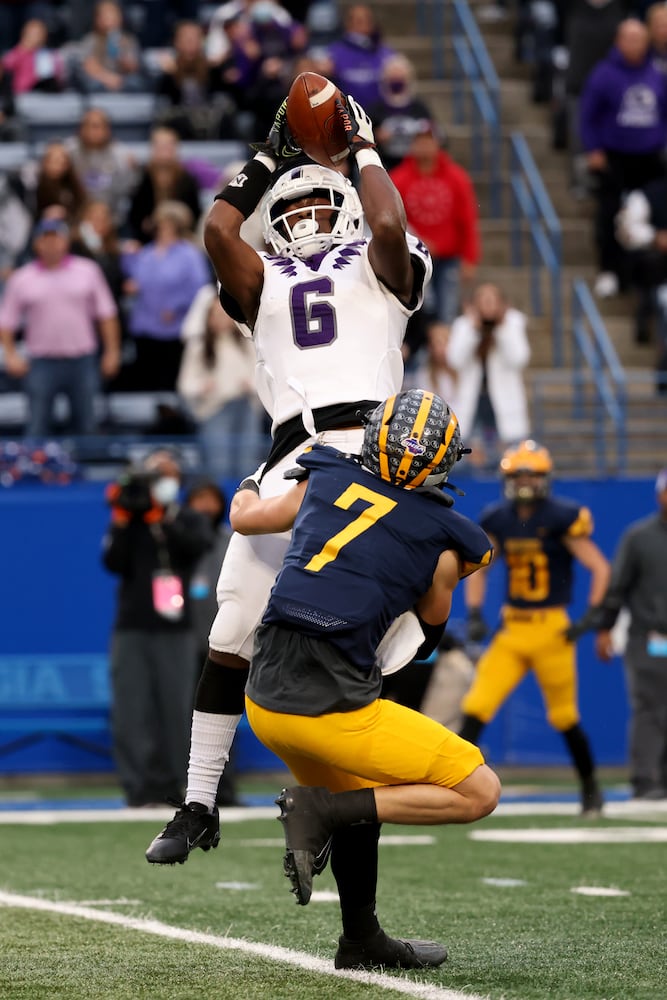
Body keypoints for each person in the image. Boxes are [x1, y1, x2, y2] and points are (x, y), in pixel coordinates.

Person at [144, 92, 434, 875]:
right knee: (231, 629)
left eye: (316, 195)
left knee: (386, 658)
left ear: (338, 201)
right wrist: (272, 153)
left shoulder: (381, 257)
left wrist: (364, 146)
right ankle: (199, 803)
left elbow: (383, 226)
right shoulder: (260, 276)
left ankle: (351, 811)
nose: (304, 208)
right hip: (293, 458)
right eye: (291, 200)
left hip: (374, 464)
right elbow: (214, 228)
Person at [226, 388, 499, 968]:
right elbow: (424, 641)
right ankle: (318, 811)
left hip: (264, 701)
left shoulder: (321, 477)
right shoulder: (450, 543)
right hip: (332, 709)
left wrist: (252, 478)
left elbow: (245, 518)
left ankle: (360, 939)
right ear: (446, 459)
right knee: (479, 791)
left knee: (359, 797)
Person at [458, 439, 611, 817]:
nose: (525, 482)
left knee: (564, 716)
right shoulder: (499, 518)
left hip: (552, 629)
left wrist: (592, 615)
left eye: (532, 474)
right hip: (513, 629)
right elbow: (479, 566)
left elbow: (600, 567)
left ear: (544, 478)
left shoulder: (563, 516)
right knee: (477, 705)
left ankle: (591, 789)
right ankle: (452, 785)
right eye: (519, 474)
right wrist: (475, 611)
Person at [102, 449, 216, 807]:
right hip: (131, 627)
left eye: (167, 474)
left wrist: (162, 518)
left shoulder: (187, 518)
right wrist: (123, 518)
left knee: (176, 710)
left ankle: (177, 788)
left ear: (177, 481)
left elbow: (196, 546)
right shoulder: (131, 522)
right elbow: (112, 561)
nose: (162, 481)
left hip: (175, 630)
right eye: (156, 475)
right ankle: (138, 787)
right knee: (131, 711)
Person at [0, 214, 121, 437]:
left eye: (56, 238)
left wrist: (112, 352)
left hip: (82, 360)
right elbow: (6, 322)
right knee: (37, 426)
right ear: (37, 243)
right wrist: (11, 355)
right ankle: (34, 470)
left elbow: (106, 314)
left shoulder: (88, 271)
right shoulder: (22, 278)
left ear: (65, 241)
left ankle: (86, 471)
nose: (51, 244)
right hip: (41, 363)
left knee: (87, 425)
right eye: (45, 239)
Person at [589, 468, 667, 799]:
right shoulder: (639, 537)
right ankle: (645, 779)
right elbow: (617, 587)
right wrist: (605, 628)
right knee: (649, 707)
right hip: (650, 637)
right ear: (659, 495)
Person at [579, 17, 667, 298]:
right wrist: (594, 149)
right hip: (614, 157)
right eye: (628, 38)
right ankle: (609, 270)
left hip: (650, 157)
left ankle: (644, 277)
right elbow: (587, 115)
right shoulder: (604, 73)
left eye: (639, 38)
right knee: (609, 215)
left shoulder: (657, 72)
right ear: (618, 41)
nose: (634, 44)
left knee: (654, 214)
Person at [389, 121, 480, 325]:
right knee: (418, 316)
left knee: (447, 314)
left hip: (449, 259)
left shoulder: (457, 178)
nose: (423, 147)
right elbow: (394, 221)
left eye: (428, 141)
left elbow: (467, 220)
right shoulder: (398, 179)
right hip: (413, 260)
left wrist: (470, 258)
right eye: (419, 142)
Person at [185, 479, 240, 806]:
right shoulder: (180, 543)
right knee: (188, 720)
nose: (205, 508)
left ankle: (224, 791)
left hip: (224, 647)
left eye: (211, 500)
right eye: (198, 499)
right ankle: (189, 791)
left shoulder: (232, 541)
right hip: (184, 645)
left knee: (223, 721)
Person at [176, 284, 264, 482]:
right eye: (215, 314)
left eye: (224, 314)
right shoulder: (199, 345)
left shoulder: (247, 342)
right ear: (208, 317)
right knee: (218, 464)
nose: (220, 319)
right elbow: (185, 384)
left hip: (246, 406)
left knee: (247, 462)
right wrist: (202, 387)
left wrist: (250, 384)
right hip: (215, 408)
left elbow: (261, 373)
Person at [121, 200, 211, 391]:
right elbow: (135, 278)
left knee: (171, 380)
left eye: (167, 222)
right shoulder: (147, 252)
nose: (162, 227)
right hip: (145, 326)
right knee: (147, 379)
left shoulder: (189, 254)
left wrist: (176, 306)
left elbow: (200, 287)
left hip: (174, 328)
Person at [446, 283, 531, 469]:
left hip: (504, 402)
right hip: (473, 403)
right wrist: (474, 330)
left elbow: (519, 358)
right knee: (467, 460)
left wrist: (502, 329)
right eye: (483, 301)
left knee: (510, 460)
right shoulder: (463, 325)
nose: (488, 306)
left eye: (492, 301)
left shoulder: (513, 323)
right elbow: (455, 360)